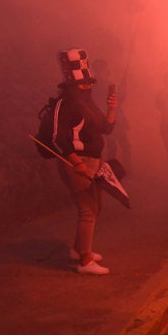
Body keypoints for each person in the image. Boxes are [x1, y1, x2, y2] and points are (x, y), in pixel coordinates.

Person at [52, 49, 117, 275]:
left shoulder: (88, 104)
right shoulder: (66, 104)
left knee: (97, 206)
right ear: (72, 86)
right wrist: (76, 163)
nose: (88, 86)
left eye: (89, 83)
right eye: (83, 84)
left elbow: (106, 128)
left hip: (94, 160)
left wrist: (112, 108)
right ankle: (86, 261)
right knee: (87, 209)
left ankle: (79, 249)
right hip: (77, 162)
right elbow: (57, 138)